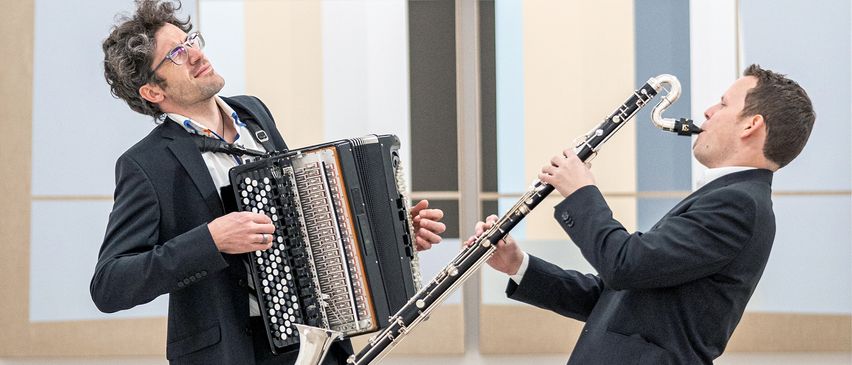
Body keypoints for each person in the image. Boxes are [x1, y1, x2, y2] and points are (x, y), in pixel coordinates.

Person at [90, 1, 446, 364]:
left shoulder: (253, 113)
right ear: (152, 91)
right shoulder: (146, 164)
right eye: (177, 54)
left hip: (313, 344)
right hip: (236, 352)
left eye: (191, 40)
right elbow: (110, 284)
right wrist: (211, 240)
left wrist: (391, 234)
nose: (196, 54)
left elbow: (301, 225)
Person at [469, 64, 815, 364]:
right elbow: (614, 298)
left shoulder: (738, 205)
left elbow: (624, 264)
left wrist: (581, 192)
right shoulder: (727, 199)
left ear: (751, 125)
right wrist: (518, 264)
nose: (709, 111)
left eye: (723, 104)